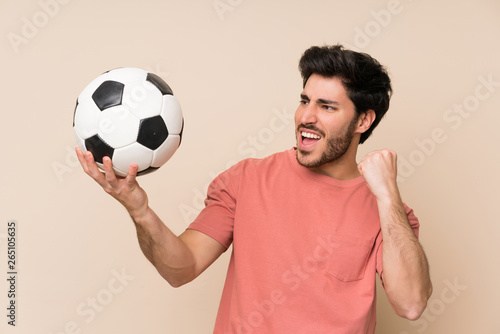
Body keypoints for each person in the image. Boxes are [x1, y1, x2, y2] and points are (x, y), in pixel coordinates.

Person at [76, 44, 432, 334]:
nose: (306, 116)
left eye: (326, 106)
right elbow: (180, 269)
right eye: (305, 100)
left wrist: (386, 196)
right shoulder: (247, 179)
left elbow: (411, 304)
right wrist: (139, 210)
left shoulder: (390, 214)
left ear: (364, 120)